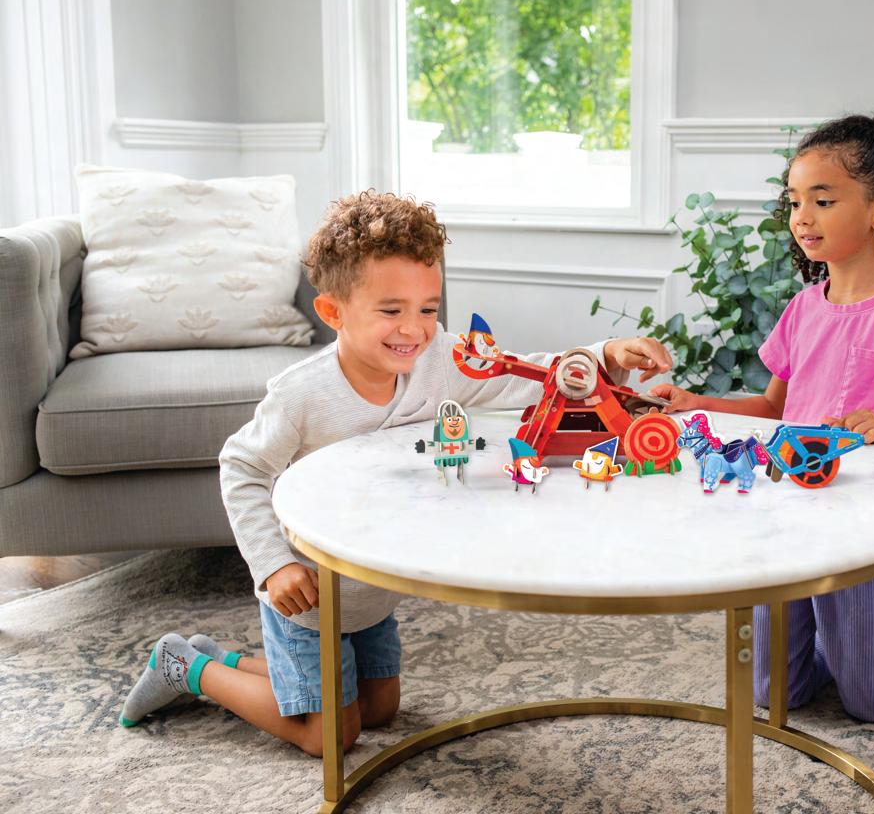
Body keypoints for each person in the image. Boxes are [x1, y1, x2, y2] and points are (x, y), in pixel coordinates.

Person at [118, 191, 672, 754]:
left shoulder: (439, 361)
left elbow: (522, 374)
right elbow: (241, 467)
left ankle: (222, 659)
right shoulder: (302, 394)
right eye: (391, 311)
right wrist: (273, 565)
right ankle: (185, 667)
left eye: (428, 309)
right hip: (309, 596)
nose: (414, 329)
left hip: (372, 591)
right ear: (333, 312)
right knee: (333, 735)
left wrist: (604, 354)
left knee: (380, 712)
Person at [651, 114, 874, 722]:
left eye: (823, 201)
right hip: (791, 511)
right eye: (794, 201)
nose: (802, 217)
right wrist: (698, 403)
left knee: (871, 701)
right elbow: (771, 409)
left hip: (871, 523)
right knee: (775, 693)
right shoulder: (804, 308)